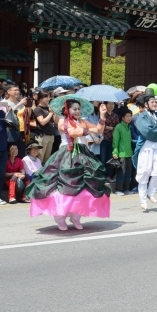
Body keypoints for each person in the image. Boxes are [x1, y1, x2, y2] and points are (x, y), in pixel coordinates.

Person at [26, 96, 108, 231]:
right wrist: (88, 130)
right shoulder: (62, 121)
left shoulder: (82, 121)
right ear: (67, 110)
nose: (77, 111)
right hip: (67, 155)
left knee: (84, 187)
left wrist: (102, 116)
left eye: (78, 109)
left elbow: (99, 130)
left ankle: (76, 216)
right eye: (74, 109)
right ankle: (60, 218)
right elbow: (72, 132)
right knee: (64, 186)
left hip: (83, 154)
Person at [132, 94, 157, 211]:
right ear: (146, 105)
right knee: (144, 171)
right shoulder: (141, 116)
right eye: (152, 102)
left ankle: (151, 192)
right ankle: (143, 200)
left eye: (155, 102)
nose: (154, 104)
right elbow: (147, 130)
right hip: (147, 145)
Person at [111, 108, 134, 196]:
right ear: (123, 118)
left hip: (129, 153)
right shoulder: (119, 127)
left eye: (130, 116)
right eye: (127, 116)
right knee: (121, 172)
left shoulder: (129, 127)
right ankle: (118, 189)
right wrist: (115, 152)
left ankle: (126, 189)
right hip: (121, 154)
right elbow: (115, 141)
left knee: (128, 173)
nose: (129, 118)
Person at [30, 91, 57, 164]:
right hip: (42, 135)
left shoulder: (48, 108)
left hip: (51, 135)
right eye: (46, 97)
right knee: (40, 157)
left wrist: (55, 112)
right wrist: (51, 113)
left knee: (47, 158)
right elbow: (42, 122)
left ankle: (45, 173)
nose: (48, 99)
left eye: (48, 97)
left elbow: (56, 121)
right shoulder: (38, 109)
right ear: (40, 99)